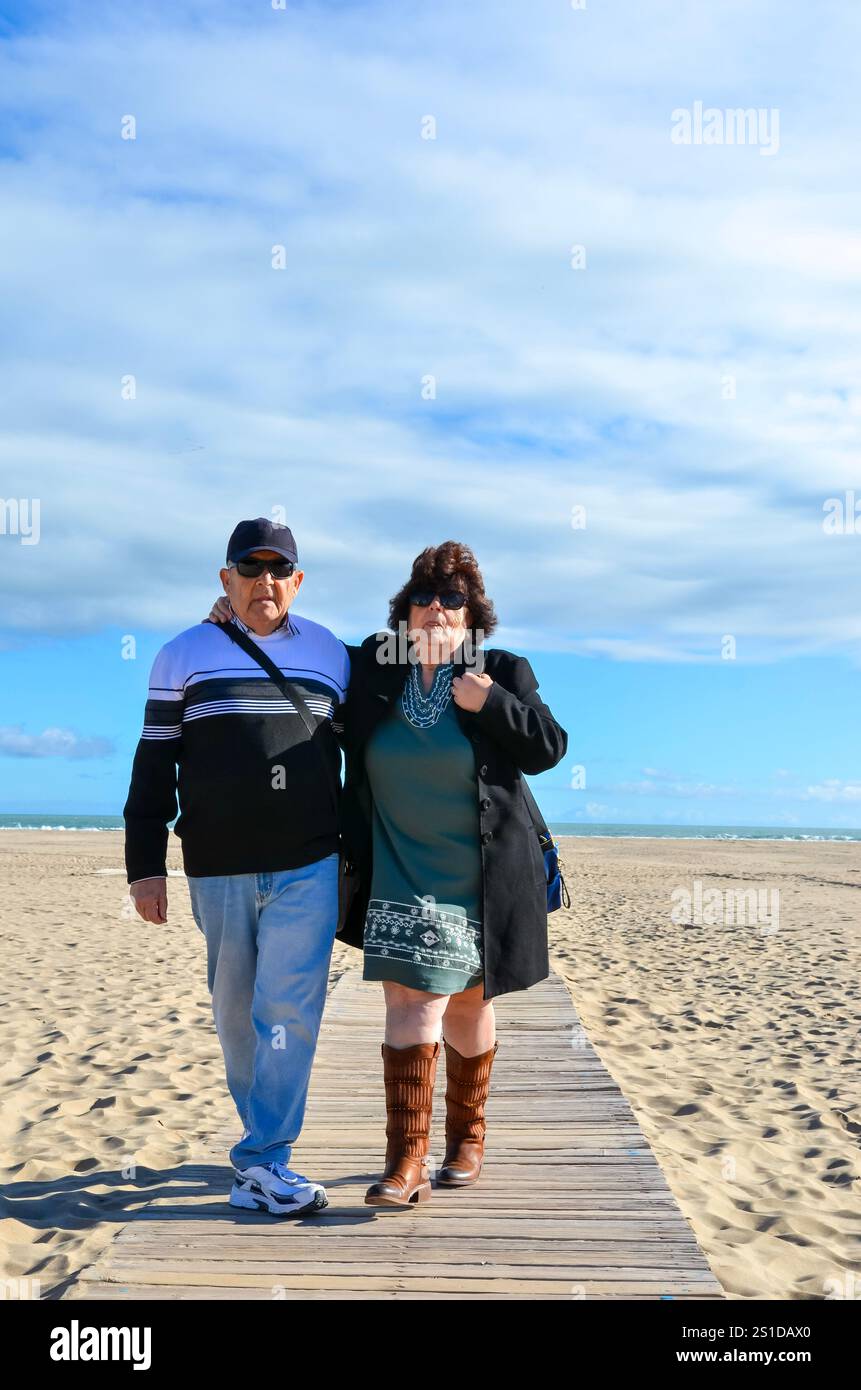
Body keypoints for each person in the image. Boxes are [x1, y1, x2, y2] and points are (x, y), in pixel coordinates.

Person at [124, 517, 349, 1216]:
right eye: (248, 570)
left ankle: (263, 1159)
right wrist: (144, 864)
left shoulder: (334, 656)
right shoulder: (182, 654)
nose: (264, 582)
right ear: (226, 580)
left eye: (278, 570)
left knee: (287, 1008)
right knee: (235, 1013)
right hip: (215, 868)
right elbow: (154, 761)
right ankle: (262, 1136)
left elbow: (383, 732)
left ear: (298, 581)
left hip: (307, 864)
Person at [338, 541, 568, 1206]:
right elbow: (297, 652)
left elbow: (548, 747)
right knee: (413, 1000)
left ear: (472, 615)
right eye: (422, 598)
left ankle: (466, 1139)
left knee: (469, 1005)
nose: (435, 608)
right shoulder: (373, 668)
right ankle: (405, 1161)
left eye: (451, 599)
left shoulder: (500, 669)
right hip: (399, 869)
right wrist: (231, 621)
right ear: (404, 614)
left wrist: (489, 702)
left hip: (481, 873)